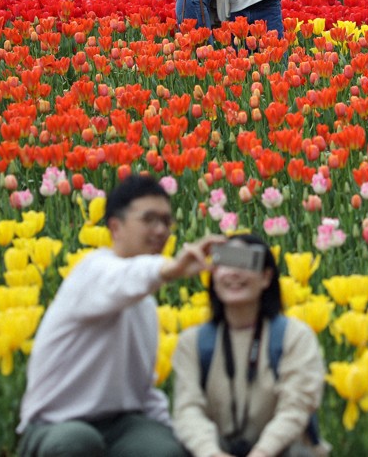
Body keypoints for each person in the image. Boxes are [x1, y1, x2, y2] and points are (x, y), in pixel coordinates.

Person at [18, 175, 225, 457]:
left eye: (166, 221)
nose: (161, 230)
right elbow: (123, 279)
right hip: (55, 423)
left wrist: (187, 439)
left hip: (121, 424)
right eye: (149, 219)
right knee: (77, 442)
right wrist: (171, 268)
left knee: (166, 450)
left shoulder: (145, 304)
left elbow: (142, 390)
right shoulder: (92, 271)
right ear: (115, 226)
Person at [171, 235, 325, 457]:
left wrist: (262, 453)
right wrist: (211, 454)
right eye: (225, 263)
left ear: (266, 277)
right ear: (213, 275)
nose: (234, 272)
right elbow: (188, 411)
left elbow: (296, 407)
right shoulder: (192, 342)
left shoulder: (295, 336)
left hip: (280, 451)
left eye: (245, 262)